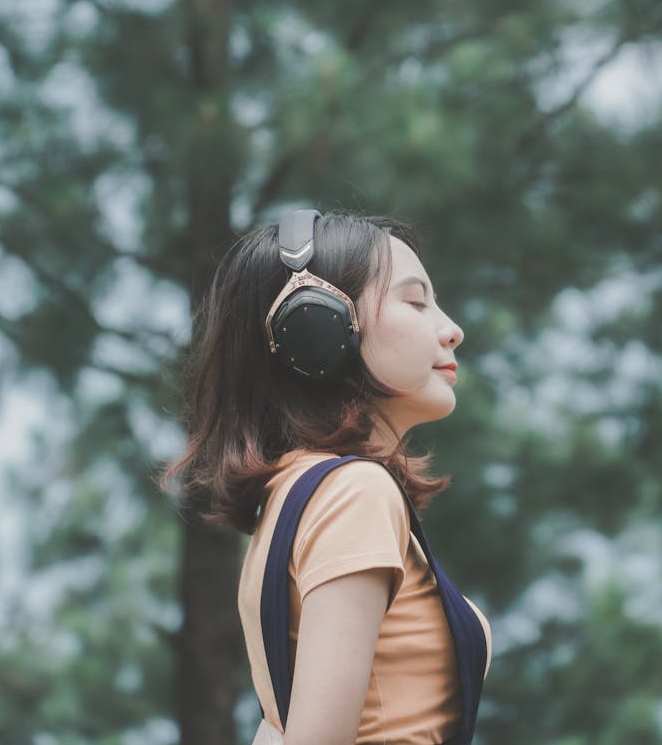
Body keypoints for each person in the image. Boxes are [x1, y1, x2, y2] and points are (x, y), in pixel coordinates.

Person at [163, 209, 492, 745]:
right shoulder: (354, 492)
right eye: (415, 302)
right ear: (319, 328)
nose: (452, 330)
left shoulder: (295, 494)